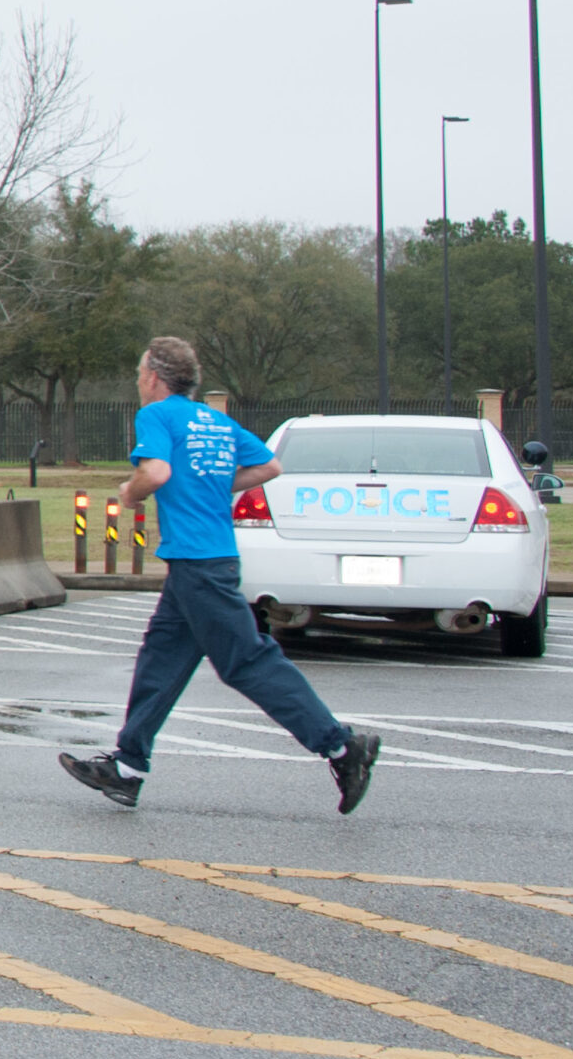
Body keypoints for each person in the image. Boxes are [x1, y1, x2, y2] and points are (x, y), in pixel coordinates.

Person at [61, 337, 379, 813]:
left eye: (138, 373)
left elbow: (158, 473)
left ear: (153, 376)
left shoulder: (157, 415)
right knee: (162, 658)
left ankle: (340, 746)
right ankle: (127, 767)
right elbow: (269, 465)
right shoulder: (214, 421)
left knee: (246, 662)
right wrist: (211, 486)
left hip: (199, 564)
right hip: (206, 560)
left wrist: (130, 492)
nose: (138, 382)